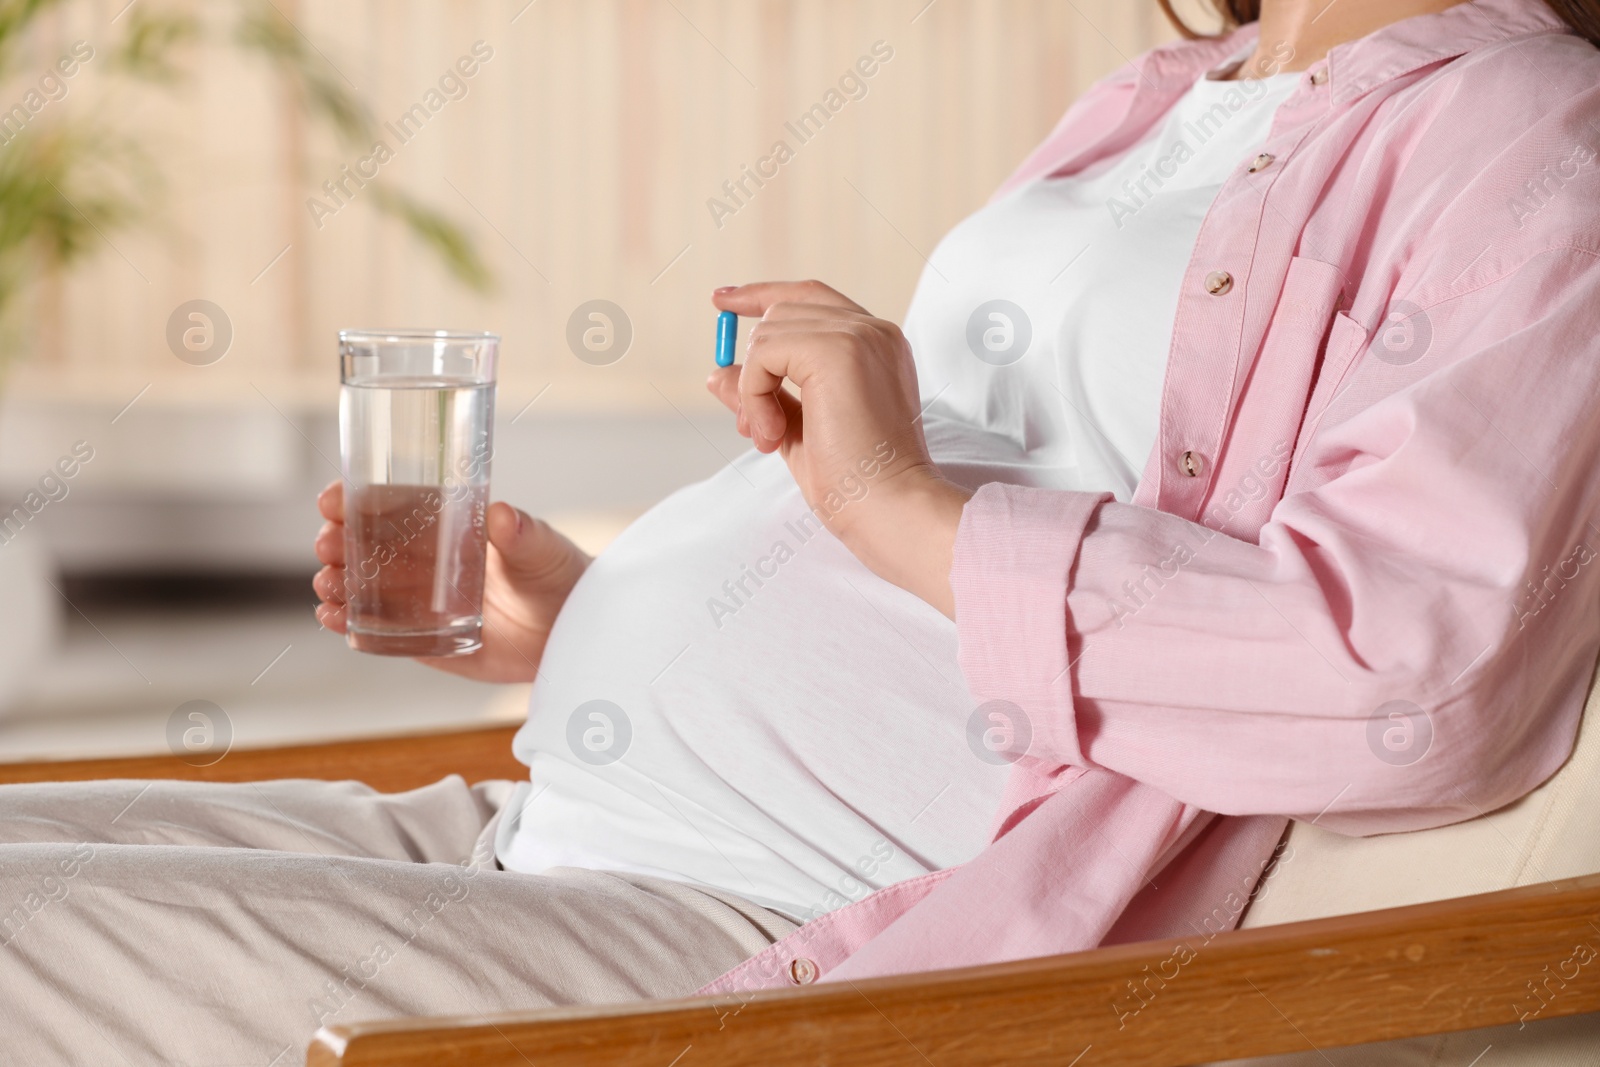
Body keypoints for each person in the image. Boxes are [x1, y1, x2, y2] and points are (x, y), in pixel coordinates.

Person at [4, 0, 1600, 1062]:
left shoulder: (1526, 129)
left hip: (777, 931)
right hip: (532, 833)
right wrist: (597, 621)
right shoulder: (1166, 98)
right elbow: (1008, 487)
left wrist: (888, 502)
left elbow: (1412, 683)